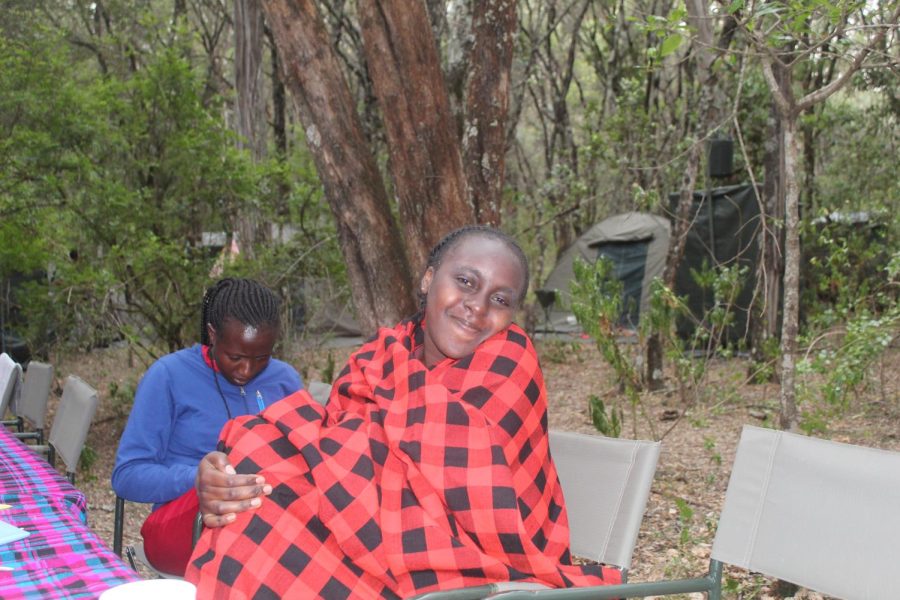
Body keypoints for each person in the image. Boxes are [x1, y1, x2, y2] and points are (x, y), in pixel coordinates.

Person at [186, 227, 622, 597]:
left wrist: (295, 461)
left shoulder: (511, 358)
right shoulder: (386, 351)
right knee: (255, 486)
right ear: (429, 278)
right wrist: (228, 474)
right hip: (382, 530)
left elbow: (457, 478)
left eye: (501, 299)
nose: (478, 306)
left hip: (475, 558)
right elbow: (338, 439)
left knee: (267, 506)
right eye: (467, 282)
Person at [111, 277, 303, 576]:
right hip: (187, 526)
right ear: (213, 335)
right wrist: (197, 479)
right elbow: (127, 475)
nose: (246, 370)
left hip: (272, 524)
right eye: (235, 356)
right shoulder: (169, 377)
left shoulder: (285, 380)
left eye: (261, 357)